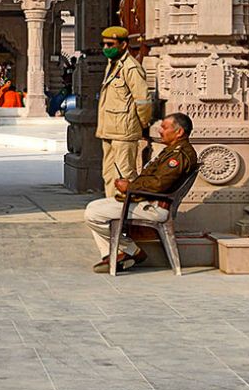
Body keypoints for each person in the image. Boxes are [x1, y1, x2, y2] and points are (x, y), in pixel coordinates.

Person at [85, 113, 198, 271]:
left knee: (93, 214)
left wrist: (130, 187)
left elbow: (159, 184)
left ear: (179, 132)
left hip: (154, 207)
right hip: (145, 200)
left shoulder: (179, 155)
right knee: (93, 207)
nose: (160, 131)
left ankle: (131, 251)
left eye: (165, 128)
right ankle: (115, 255)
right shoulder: (172, 150)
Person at [95, 25, 155, 198]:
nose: (106, 48)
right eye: (104, 44)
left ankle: (123, 215)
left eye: (110, 44)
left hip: (124, 132)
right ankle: (111, 210)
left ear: (123, 45)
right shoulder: (112, 66)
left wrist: (143, 124)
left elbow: (143, 100)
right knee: (109, 175)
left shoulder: (130, 68)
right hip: (108, 130)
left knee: (124, 175)